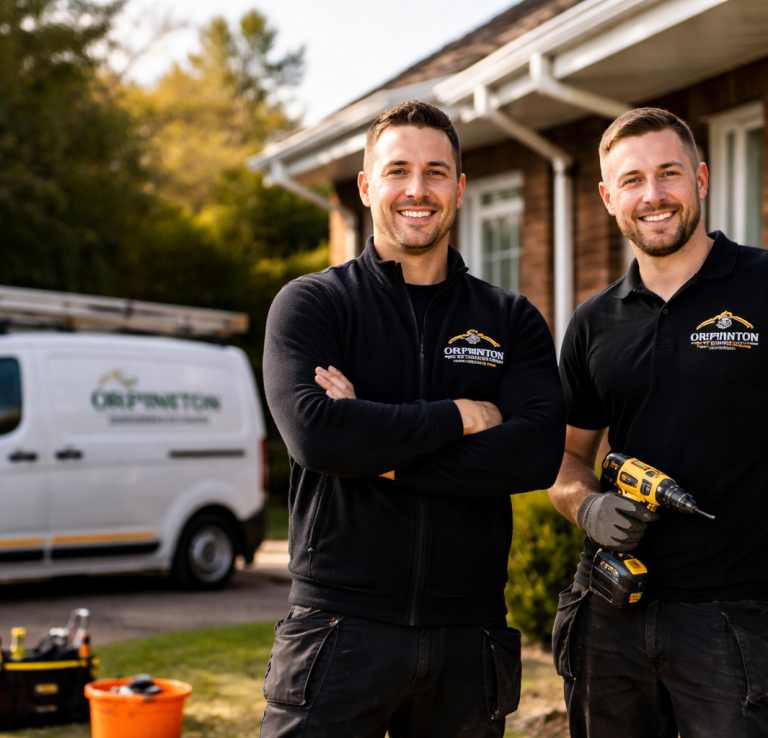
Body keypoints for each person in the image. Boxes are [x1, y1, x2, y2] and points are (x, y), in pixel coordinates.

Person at [261, 100, 566, 737]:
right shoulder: (314, 305)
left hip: (468, 632)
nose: (416, 190)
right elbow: (318, 435)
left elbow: (535, 454)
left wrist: (376, 449)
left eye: (435, 171)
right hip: (337, 627)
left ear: (459, 188)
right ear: (368, 186)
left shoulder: (510, 319)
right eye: (397, 170)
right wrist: (459, 415)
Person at [548, 107, 768, 737]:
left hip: (737, 620)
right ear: (608, 198)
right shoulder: (593, 323)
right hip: (611, 611)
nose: (653, 195)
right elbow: (562, 458)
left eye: (668, 174)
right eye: (633, 180)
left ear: (700, 178)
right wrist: (587, 507)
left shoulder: (761, 286)